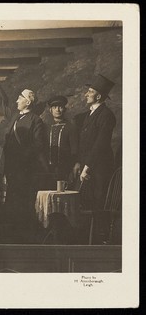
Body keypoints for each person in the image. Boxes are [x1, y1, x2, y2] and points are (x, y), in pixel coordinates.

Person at [73, 74, 116, 244]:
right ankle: (87, 240)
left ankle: (100, 242)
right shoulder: (89, 115)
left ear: (98, 96)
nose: (86, 94)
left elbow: (99, 145)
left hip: (99, 169)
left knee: (98, 203)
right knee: (86, 202)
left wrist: (86, 167)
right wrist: (79, 163)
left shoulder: (106, 115)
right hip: (88, 167)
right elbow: (85, 144)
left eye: (89, 92)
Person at [3, 89, 49, 243]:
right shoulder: (16, 118)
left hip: (25, 171)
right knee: (12, 202)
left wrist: (20, 159)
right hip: (12, 170)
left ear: (27, 102)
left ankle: (25, 238)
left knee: (24, 203)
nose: (17, 101)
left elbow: (38, 145)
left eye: (19, 98)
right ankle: (12, 235)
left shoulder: (36, 120)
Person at [44, 95, 79, 185]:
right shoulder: (46, 128)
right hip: (48, 169)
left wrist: (74, 165)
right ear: (50, 110)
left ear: (64, 109)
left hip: (65, 169)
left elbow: (74, 149)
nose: (57, 110)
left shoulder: (71, 127)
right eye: (54, 107)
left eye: (60, 107)